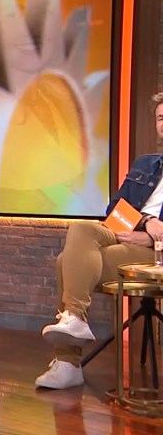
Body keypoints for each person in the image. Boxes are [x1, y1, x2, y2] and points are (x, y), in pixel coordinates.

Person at [36, 91, 163, 390]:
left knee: (65, 262)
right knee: (81, 229)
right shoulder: (146, 164)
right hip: (127, 232)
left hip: (156, 252)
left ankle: (68, 362)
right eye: (160, 118)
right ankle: (75, 319)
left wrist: (151, 237)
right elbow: (115, 210)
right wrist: (145, 222)